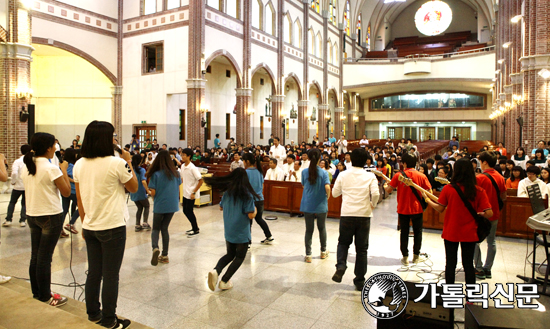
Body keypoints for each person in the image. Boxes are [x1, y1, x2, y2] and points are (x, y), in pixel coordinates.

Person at [74, 121, 137, 328]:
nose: (115, 139)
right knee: (110, 276)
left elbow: (80, 199)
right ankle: (109, 320)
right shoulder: (117, 163)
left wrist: (85, 224)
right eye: (112, 136)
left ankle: (93, 313)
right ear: (105, 139)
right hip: (112, 226)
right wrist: (129, 161)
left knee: (94, 272)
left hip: (91, 225)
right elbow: (134, 187)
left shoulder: (81, 163)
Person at [423, 158, 492, 288]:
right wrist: (479, 214)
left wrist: (427, 200)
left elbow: (440, 208)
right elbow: (489, 213)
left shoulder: (449, 189)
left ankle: (450, 293)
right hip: (470, 232)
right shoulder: (478, 190)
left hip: (451, 231)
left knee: (450, 264)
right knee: (468, 265)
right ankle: (470, 298)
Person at [22, 132, 72, 306]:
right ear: (49, 147)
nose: (55, 149)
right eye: (54, 146)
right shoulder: (51, 168)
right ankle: (45, 296)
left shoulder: (27, 165)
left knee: (35, 256)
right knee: (45, 258)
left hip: (33, 214)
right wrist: (64, 171)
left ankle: (38, 292)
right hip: (50, 215)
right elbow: (66, 191)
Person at [332, 148, 379, 290]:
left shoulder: (343, 174)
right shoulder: (370, 176)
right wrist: (372, 205)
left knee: (343, 243)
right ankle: (359, 281)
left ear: (351, 159)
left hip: (347, 213)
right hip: (364, 215)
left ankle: (341, 266)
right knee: (362, 249)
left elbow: (334, 194)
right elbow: (375, 194)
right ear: (366, 161)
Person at [204, 168, 258, 291]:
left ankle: (216, 270)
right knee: (239, 257)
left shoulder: (227, 193)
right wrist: (255, 210)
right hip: (241, 232)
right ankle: (224, 280)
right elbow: (250, 215)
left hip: (229, 230)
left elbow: (221, 208)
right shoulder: (247, 195)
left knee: (229, 254)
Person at [385, 153, 432, 266]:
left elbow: (389, 190)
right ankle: (416, 256)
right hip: (417, 208)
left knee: (404, 233)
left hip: (403, 208)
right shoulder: (421, 176)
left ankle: (405, 257)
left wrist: (385, 186)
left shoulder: (398, 175)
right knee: (418, 232)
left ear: (404, 163)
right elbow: (429, 192)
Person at [473, 151, 506, 280]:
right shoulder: (500, 177)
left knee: (475, 242)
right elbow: (504, 197)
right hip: (494, 214)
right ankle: (488, 268)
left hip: (480, 214)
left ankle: (479, 268)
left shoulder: (480, 178)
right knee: (491, 241)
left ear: (485, 162)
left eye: (480, 161)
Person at [147, 150, 181, 266]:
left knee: (156, 228)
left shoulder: (156, 174)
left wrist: (149, 192)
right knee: (165, 228)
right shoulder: (176, 173)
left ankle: (155, 248)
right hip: (172, 205)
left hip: (160, 204)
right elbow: (178, 187)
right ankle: (165, 255)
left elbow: (153, 192)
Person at [300, 149, 331, 263]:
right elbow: (327, 187)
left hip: (308, 203)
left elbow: (303, 185)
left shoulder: (304, 172)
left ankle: (308, 255)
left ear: (308, 158)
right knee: (322, 228)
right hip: (321, 204)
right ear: (319, 158)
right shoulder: (324, 173)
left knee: (309, 230)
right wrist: (327, 196)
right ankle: (323, 252)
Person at [242, 153, 274, 245]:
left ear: (247, 161)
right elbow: (262, 186)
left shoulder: (246, 173)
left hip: (250, 200)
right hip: (260, 199)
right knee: (259, 219)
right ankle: (269, 236)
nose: (243, 163)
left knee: (248, 221)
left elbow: (244, 188)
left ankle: (247, 242)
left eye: (243, 161)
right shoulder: (259, 172)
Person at [3, 144, 31, 227]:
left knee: (12, 202)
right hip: (27, 186)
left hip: (17, 186)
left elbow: (14, 173)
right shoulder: (31, 161)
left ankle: (8, 219)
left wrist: (13, 181)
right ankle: (23, 220)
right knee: (24, 203)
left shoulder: (17, 161)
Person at [179, 148, 203, 237]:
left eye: (184, 155)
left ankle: (195, 228)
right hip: (185, 192)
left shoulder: (192, 168)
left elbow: (200, 180)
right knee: (186, 210)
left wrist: (194, 192)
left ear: (189, 156)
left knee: (189, 211)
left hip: (191, 193)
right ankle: (194, 227)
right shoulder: (182, 166)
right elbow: (182, 178)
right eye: (181, 155)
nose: (182, 157)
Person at [61, 148, 80, 235]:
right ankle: (71, 223)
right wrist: (75, 181)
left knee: (64, 209)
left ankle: (60, 229)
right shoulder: (70, 165)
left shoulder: (63, 164)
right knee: (81, 207)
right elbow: (67, 177)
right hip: (73, 190)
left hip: (66, 190)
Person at [130, 154, 151, 232]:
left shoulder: (131, 170)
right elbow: (143, 181)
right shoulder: (141, 170)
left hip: (133, 192)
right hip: (141, 192)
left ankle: (137, 225)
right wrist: (147, 190)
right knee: (147, 206)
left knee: (139, 208)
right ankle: (145, 222)